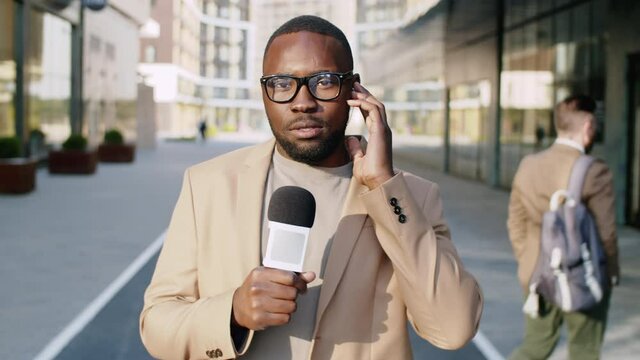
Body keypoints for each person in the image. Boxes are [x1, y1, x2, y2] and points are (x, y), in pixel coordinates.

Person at [140, 15, 483, 360]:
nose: (302, 101)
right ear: (264, 93)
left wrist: (383, 184)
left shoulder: (410, 197)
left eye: (324, 81)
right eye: (282, 83)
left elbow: (453, 328)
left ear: (355, 89)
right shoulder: (207, 185)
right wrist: (233, 312)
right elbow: (157, 324)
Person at [507, 95, 620, 360]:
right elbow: (607, 232)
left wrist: (527, 258)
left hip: (537, 274)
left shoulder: (528, 165)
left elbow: (515, 220)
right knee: (584, 350)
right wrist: (610, 273)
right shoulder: (595, 171)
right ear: (588, 126)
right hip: (582, 275)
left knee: (535, 347)